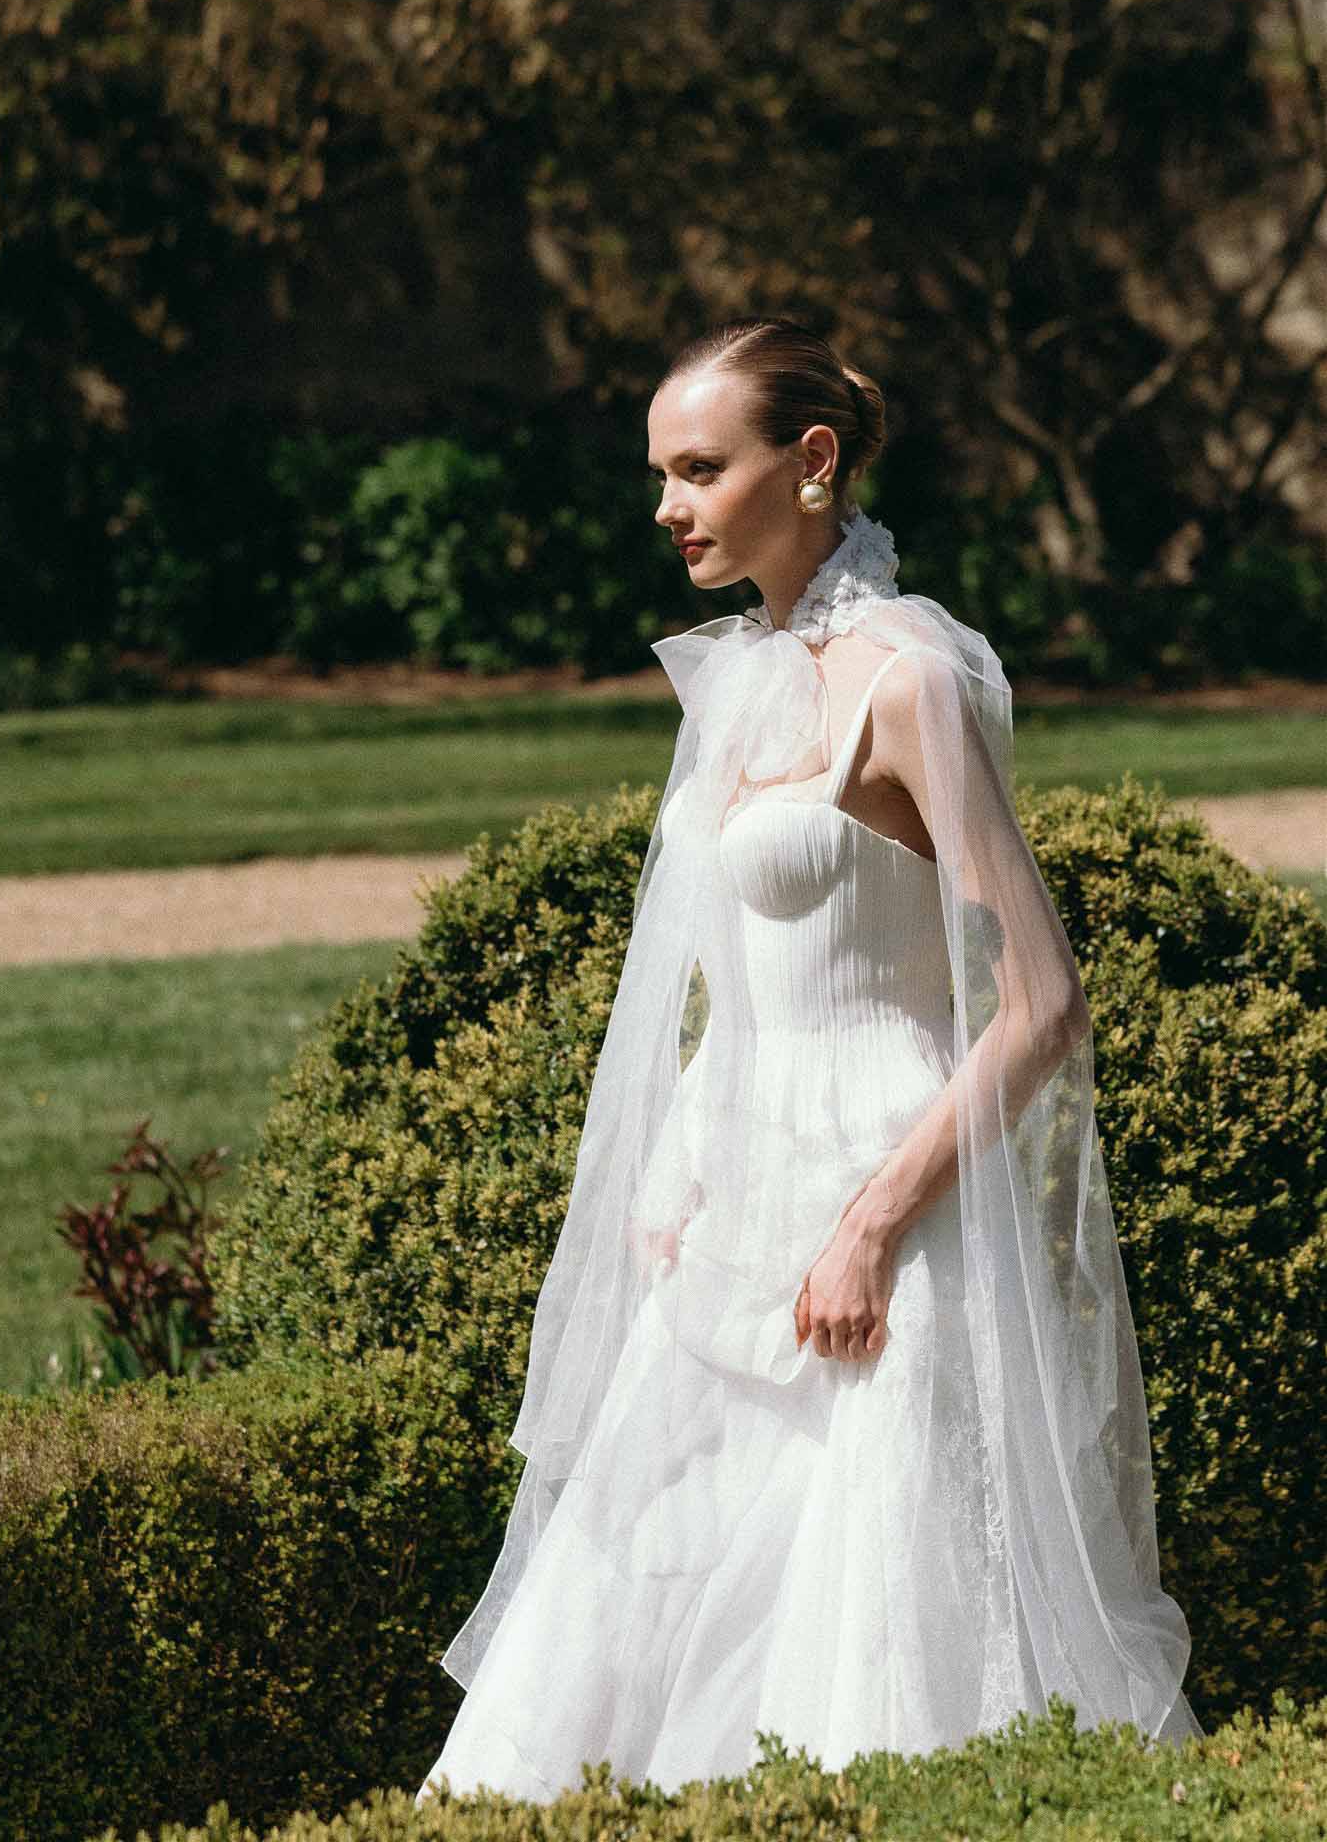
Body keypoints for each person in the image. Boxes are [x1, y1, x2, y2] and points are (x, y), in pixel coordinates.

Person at [416, 318, 1201, 1806]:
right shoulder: (739, 680)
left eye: (701, 467)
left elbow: (1041, 1005)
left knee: (878, 1619)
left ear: (814, 462)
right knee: (639, 1579)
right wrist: (678, 1170)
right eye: (662, 472)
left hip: (885, 1209)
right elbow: (735, 983)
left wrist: (872, 1225)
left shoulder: (912, 683)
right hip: (732, 1214)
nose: (668, 504)